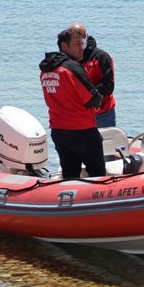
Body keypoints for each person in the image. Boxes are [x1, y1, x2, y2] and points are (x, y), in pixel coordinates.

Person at [39, 27, 105, 179]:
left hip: (59, 131)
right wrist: (98, 97)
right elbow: (92, 98)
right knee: (98, 175)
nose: (81, 48)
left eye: (82, 43)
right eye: (77, 44)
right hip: (82, 131)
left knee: (69, 175)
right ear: (64, 46)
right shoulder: (72, 67)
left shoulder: (46, 71)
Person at [69, 23, 116, 128]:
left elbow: (109, 86)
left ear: (85, 38)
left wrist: (87, 94)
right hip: (78, 114)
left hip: (103, 114)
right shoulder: (69, 58)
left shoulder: (102, 57)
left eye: (79, 40)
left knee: (105, 143)